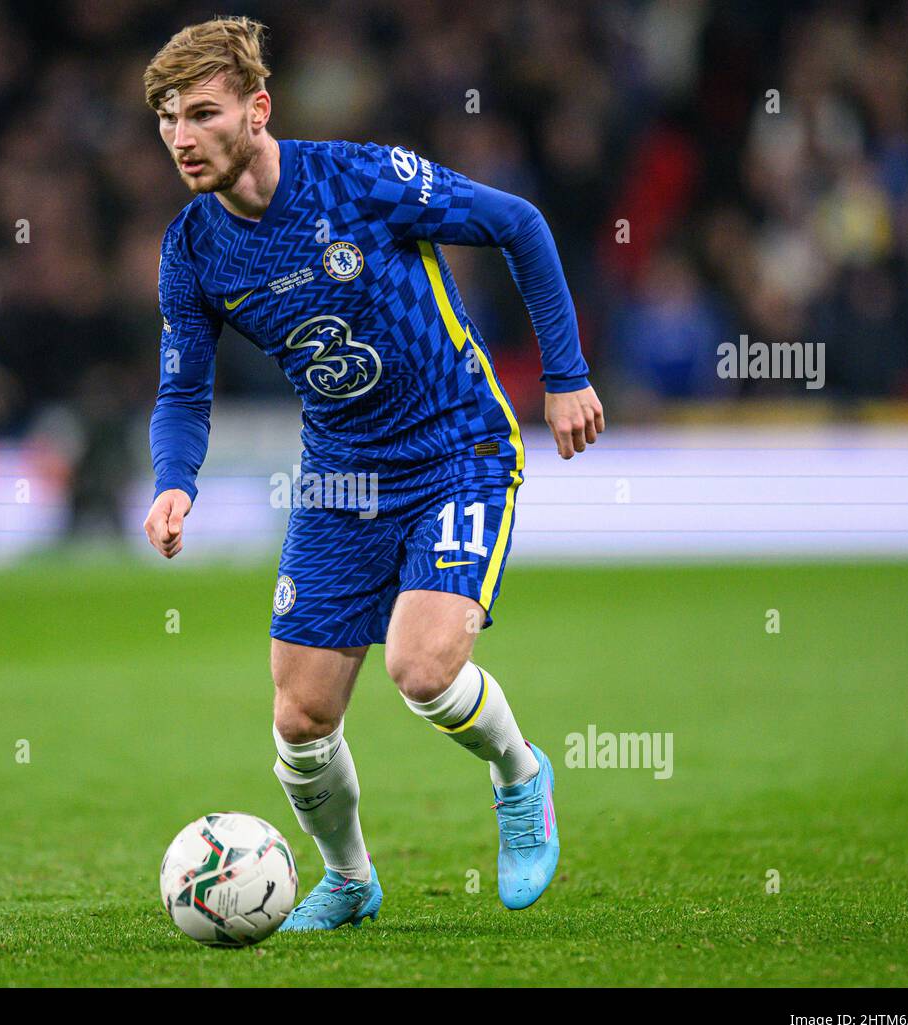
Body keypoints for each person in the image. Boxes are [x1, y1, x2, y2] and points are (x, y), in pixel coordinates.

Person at [142, 16, 603, 930]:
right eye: (166, 118)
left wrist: (566, 377)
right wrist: (173, 481)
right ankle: (350, 881)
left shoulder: (359, 180)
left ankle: (520, 776)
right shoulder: (193, 249)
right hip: (341, 478)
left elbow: (519, 224)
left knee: (423, 670)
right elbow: (183, 392)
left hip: (456, 449)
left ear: (258, 110)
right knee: (300, 720)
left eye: (201, 113)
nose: (181, 138)